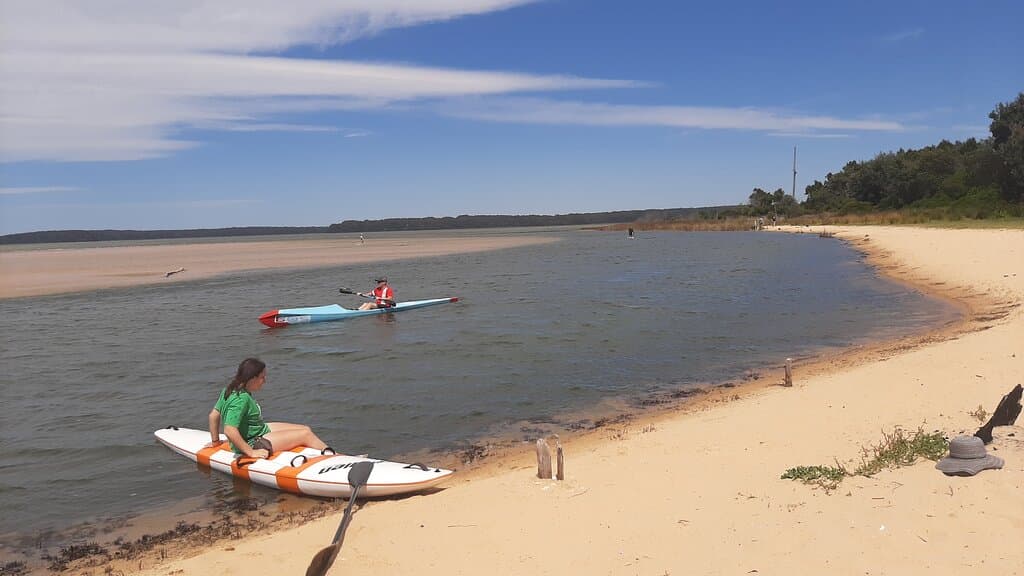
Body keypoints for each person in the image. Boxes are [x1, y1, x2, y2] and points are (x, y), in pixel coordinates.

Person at [207, 358, 329, 458]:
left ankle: (326, 454)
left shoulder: (229, 390)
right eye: (262, 377)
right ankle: (333, 457)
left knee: (305, 429)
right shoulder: (241, 399)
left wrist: (215, 442)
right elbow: (229, 430)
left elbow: (213, 416)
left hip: (260, 431)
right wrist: (251, 452)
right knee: (305, 434)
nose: (264, 381)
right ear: (253, 378)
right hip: (254, 442)